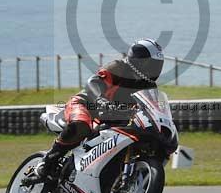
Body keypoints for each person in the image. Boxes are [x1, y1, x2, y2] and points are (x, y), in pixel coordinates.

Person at [32, 38, 164, 181]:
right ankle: (47, 161)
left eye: (157, 65)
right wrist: (100, 99)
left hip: (112, 117)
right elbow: (93, 83)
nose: (154, 68)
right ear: (138, 60)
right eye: (150, 63)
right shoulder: (119, 67)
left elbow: (152, 108)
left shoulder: (149, 86)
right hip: (86, 104)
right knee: (81, 125)